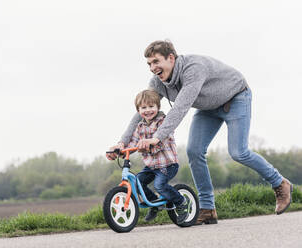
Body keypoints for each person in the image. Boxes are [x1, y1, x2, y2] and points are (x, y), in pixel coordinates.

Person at [106, 40, 293, 225]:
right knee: (194, 151)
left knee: (238, 152)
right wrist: (122, 142)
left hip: (235, 97)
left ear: (171, 58)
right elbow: (141, 113)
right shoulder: (157, 82)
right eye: (149, 64)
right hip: (208, 107)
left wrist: (156, 137)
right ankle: (207, 209)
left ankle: (279, 183)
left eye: (156, 62)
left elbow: (180, 108)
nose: (152, 67)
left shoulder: (193, 69)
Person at [107, 89, 189, 222]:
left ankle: (181, 202)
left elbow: (163, 140)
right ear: (138, 111)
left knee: (160, 185)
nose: (148, 110)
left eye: (151, 106)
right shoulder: (139, 126)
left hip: (167, 164)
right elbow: (133, 142)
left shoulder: (163, 122)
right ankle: (154, 203)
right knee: (138, 182)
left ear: (158, 107)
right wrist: (120, 151)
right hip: (151, 165)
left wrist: (149, 144)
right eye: (143, 107)